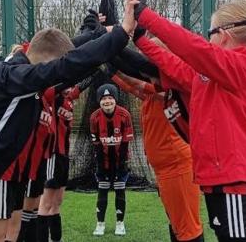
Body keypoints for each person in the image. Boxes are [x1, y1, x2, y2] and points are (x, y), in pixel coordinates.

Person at [0, 2, 137, 241]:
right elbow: (66, 65)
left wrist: (97, 32)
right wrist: (121, 32)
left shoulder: (26, 71)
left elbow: (65, 53)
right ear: (44, 65)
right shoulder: (14, 77)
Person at [124, 0, 246, 242]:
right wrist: (141, 39)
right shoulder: (213, 74)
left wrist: (146, 16)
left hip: (235, 177)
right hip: (219, 176)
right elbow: (176, 68)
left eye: (209, 34)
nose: (206, 40)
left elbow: (194, 50)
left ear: (222, 35)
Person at [107, 65, 204, 242]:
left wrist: (108, 59)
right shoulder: (152, 95)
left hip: (177, 167)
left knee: (188, 228)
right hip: (166, 169)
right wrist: (108, 68)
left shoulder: (168, 92)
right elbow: (130, 86)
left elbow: (134, 83)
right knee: (176, 224)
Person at [36, 73, 99, 242]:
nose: (71, 87)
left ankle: (56, 238)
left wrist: (96, 68)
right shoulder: (51, 97)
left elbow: (82, 84)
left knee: (57, 202)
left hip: (64, 156)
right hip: (52, 155)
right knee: (45, 203)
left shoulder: (69, 97)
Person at [90, 84, 133, 236]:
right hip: (104, 163)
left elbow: (126, 142)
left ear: (115, 99)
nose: (107, 101)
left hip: (120, 162)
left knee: (120, 190)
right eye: (103, 99)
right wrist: (101, 166)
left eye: (110, 98)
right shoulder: (94, 117)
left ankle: (120, 223)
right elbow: (96, 145)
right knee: (102, 190)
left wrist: (121, 165)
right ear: (99, 101)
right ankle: (100, 224)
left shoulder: (125, 115)